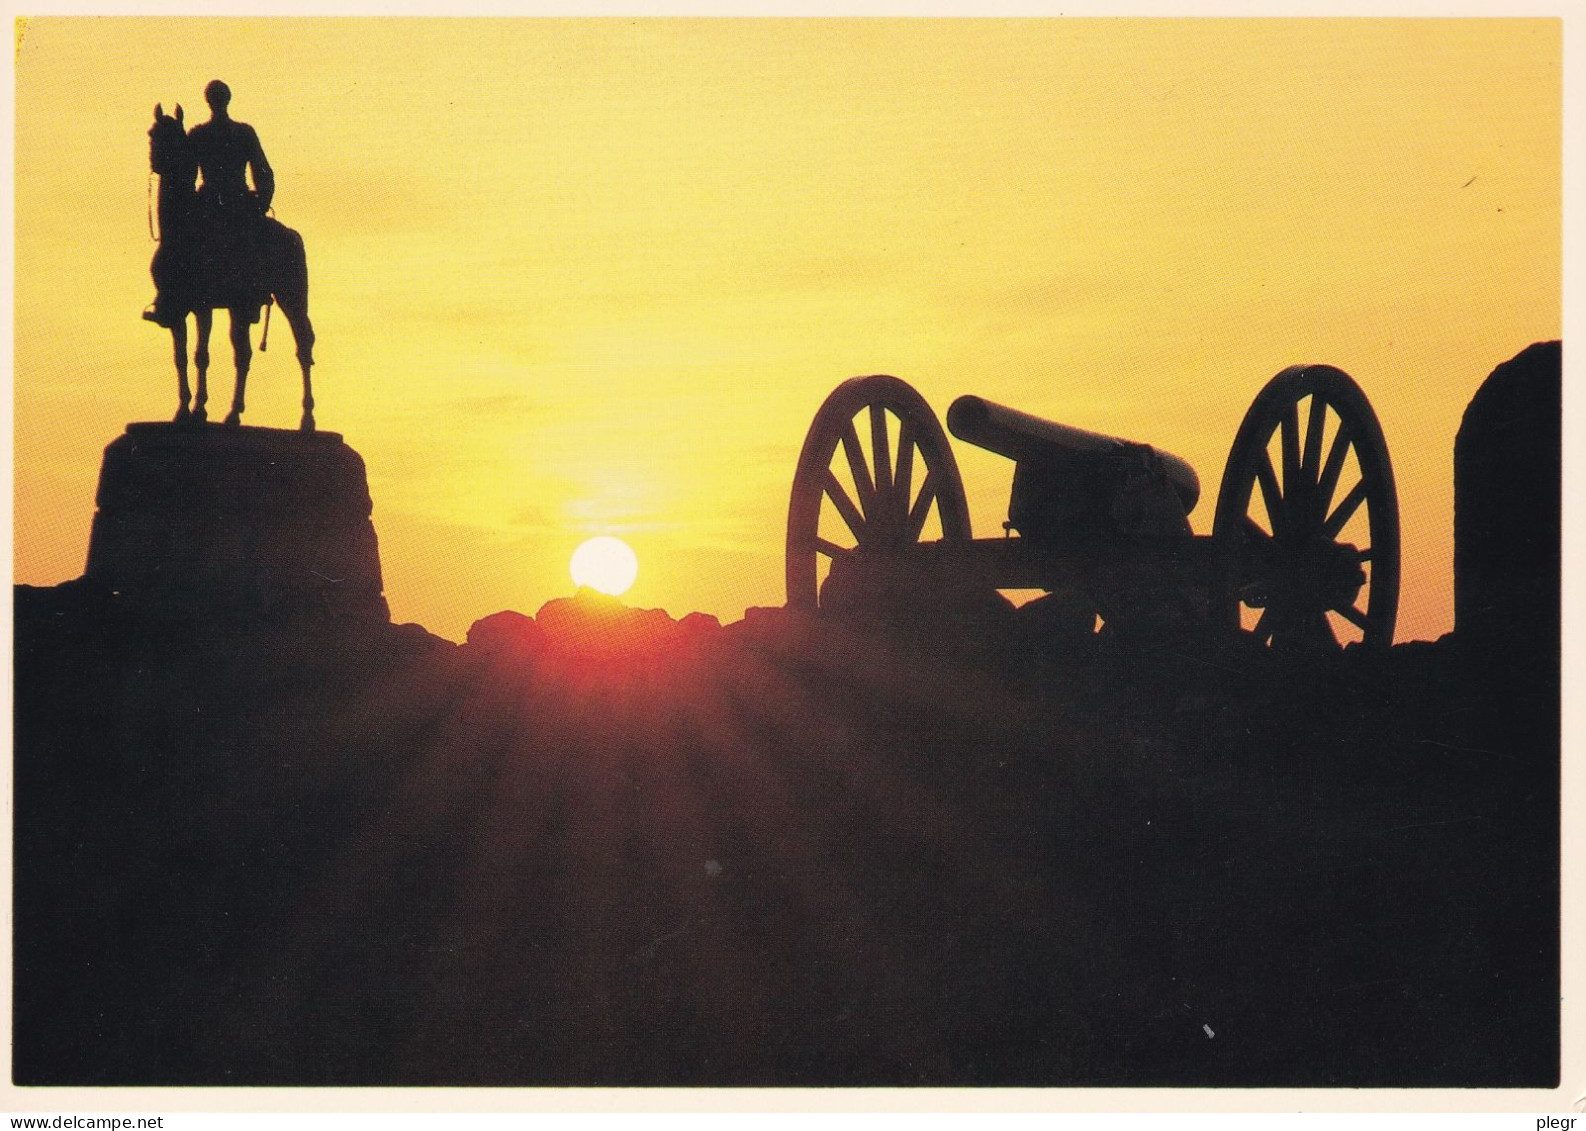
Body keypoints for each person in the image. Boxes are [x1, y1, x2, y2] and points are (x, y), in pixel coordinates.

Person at [187, 80, 275, 315]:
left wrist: (261, 202)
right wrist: (261, 200)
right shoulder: (202, 134)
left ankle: (255, 289)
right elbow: (263, 172)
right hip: (226, 202)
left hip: (230, 202)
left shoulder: (207, 134)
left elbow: (262, 171)